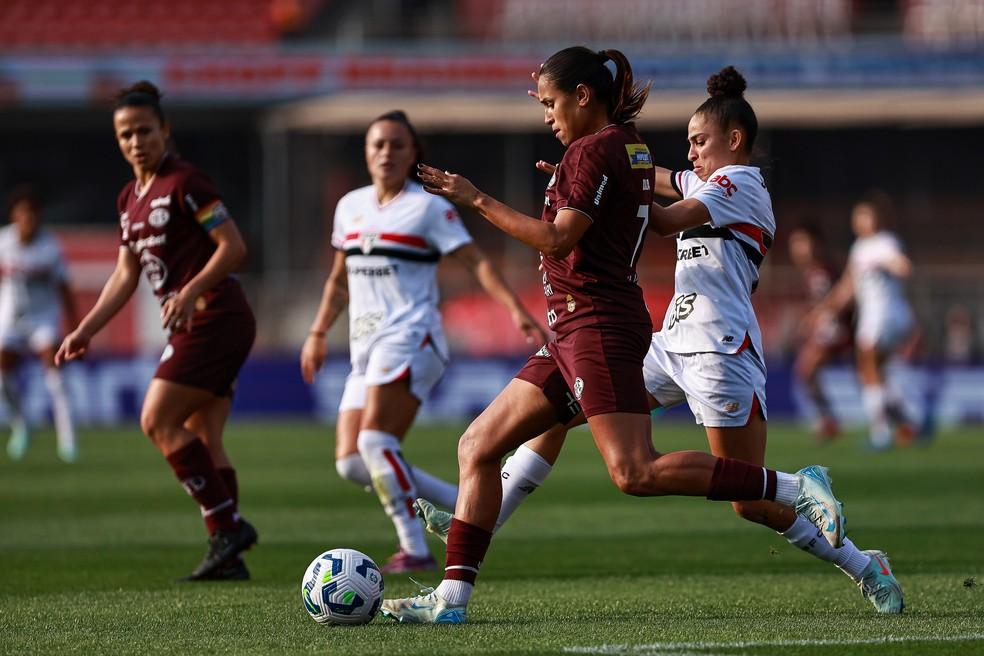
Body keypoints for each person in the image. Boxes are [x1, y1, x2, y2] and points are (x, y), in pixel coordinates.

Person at [413, 66, 903, 616]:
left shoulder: (741, 184)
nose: (690, 154)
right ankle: (480, 515)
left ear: (734, 140)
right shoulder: (707, 180)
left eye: (699, 142)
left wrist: (597, 197)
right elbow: (648, 177)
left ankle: (862, 562)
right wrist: (586, 182)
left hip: (721, 350)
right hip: (668, 343)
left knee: (749, 501)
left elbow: (660, 218)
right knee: (556, 413)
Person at [300, 110, 546, 574]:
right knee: (353, 463)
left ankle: (415, 549)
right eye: (378, 144)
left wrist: (517, 311)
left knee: (375, 442)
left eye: (397, 144)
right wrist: (316, 332)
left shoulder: (429, 207)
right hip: (365, 346)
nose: (386, 153)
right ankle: (464, 506)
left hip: (414, 336)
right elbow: (338, 280)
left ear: (414, 154)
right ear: (366, 153)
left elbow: (476, 263)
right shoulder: (350, 206)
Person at [55, 81, 257, 581]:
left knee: (156, 420)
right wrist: (84, 329)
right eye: (125, 134)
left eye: (145, 130)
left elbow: (233, 248)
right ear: (117, 140)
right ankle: (226, 557)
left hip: (216, 316)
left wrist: (189, 291)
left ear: (165, 130)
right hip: (199, 322)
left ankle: (226, 526)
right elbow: (126, 275)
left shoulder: (187, 181)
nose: (135, 141)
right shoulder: (129, 198)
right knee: (203, 436)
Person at [811, 192, 918, 449]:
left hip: (886, 314)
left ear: (877, 219)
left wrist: (893, 263)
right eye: (857, 217)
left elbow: (902, 265)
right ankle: (912, 421)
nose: (860, 221)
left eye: (865, 216)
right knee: (873, 372)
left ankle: (880, 433)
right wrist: (824, 311)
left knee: (867, 365)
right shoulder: (859, 247)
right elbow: (847, 287)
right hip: (877, 316)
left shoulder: (884, 241)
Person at [1, 186, 79, 462]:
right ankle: (21, 425)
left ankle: (68, 441)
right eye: (23, 212)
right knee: (3, 376)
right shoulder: (3, 243)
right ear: (14, 215)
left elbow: (65, 289)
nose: (28, 218)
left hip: (44, 318)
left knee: (55, 375)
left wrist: (75, 327)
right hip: (10, 318)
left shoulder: (50, 246)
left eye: (33, 213)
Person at [787, 224, 853, 440]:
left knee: (806, 369)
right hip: (832, 329)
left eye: (801, 243)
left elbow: (835, 300)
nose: (797, 249)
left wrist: (814, 320)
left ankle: (829, 420)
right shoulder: (815, 270)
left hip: (836, 329)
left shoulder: (822, 270)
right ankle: (829, 420)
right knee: (807, 371)